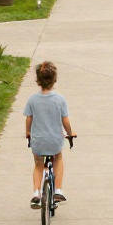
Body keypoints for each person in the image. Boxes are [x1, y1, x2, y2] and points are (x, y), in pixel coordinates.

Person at [24, 61, 74, 207]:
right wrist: (70, 134)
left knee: (39, 164)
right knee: (58, 157)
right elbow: (65, 121)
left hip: (38, 141)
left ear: (38, 80)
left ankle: (36, 193)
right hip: (54, 140)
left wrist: (28, 133)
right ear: (54, 80)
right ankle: (58, 190)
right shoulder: (60, 99)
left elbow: (29, 119)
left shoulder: (32, 100)